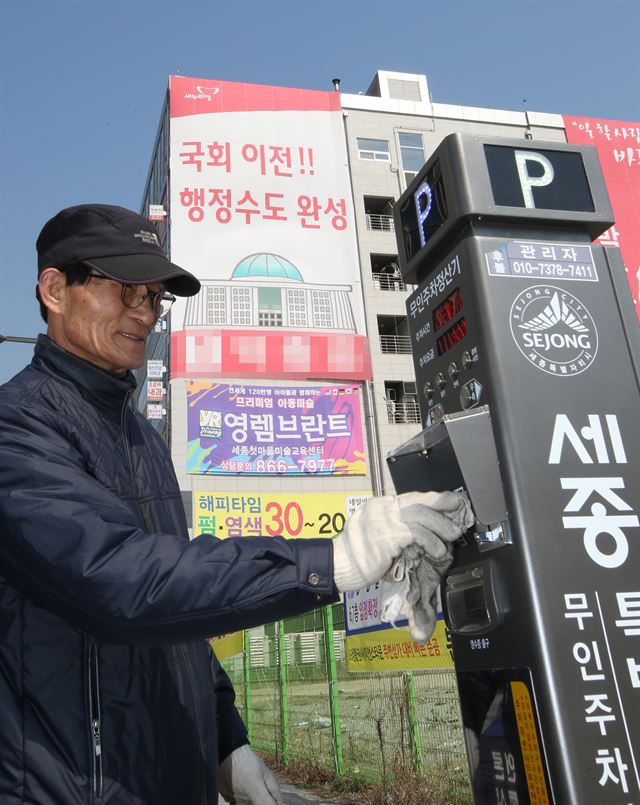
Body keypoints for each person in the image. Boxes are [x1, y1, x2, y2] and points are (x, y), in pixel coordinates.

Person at [0, 204, 473, 805]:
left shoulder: (139, 437)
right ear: (54, 289)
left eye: (153, 297)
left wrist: (226, 743)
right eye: (122, 291)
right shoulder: (17, 427)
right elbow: (118, 581)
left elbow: (177, 613)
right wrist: (337, 559)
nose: (143, 313)